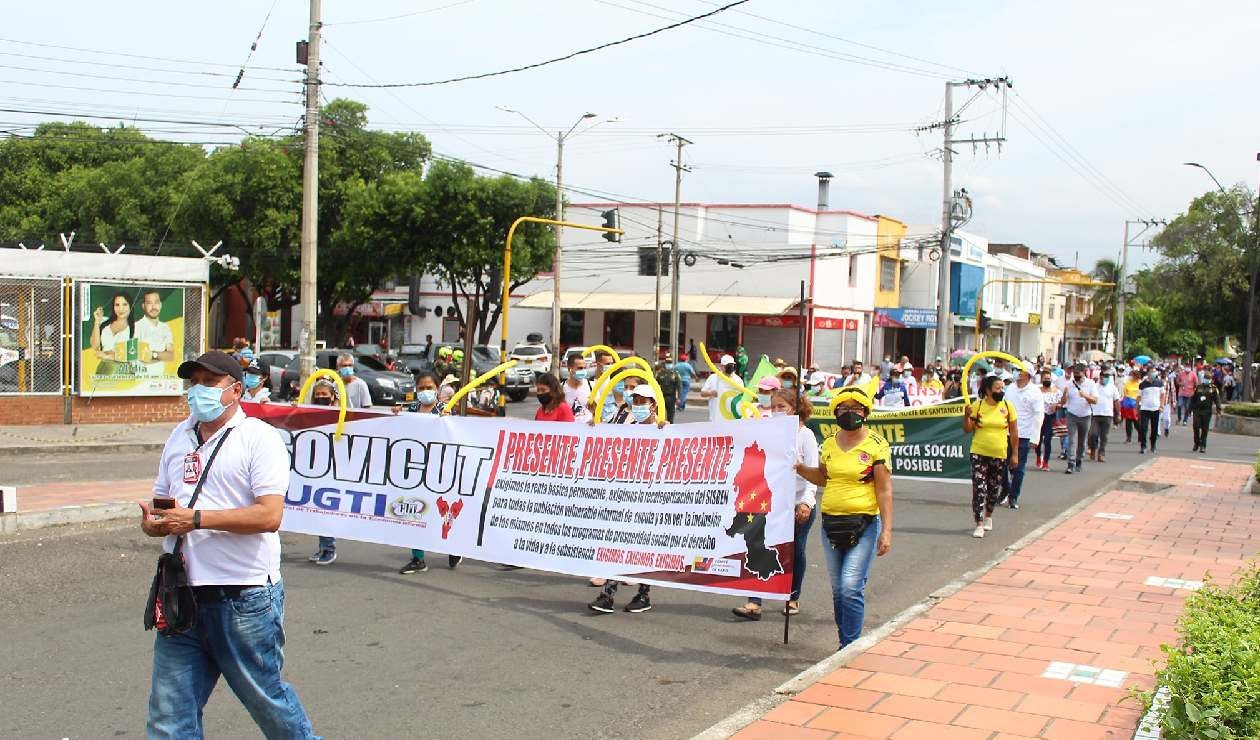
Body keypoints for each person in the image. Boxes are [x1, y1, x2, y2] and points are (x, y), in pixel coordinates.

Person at [141, 350, 318, 739]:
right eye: (193, 383)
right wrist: (157, 525)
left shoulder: (260, 438)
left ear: (235, 390)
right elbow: (163, 503)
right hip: (182, 597)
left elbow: (269, 516)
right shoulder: (179, 435)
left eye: (208, 383)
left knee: (268, 704)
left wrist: (198, 519)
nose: (197, 391)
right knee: (168, 717)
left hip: (243, 598)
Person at [794, 380, 893, 649]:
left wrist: (886, 530)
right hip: (831, 525)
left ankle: (850, 646)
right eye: (844, 407)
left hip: (864, 524)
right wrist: (799, 468)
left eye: (857, 408)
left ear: (866, 412)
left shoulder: (877, 445)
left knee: (851, 586)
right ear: (835, 412)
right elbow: (823, 478)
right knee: (839, 591)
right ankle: (844, 642)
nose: (850, 412)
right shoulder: (828, 445)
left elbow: (884, 490)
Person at [732, 388, 818, 621]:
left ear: (795, 408)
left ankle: (792, 596)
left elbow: (813, 473)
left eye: (782, 407)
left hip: (798, 504)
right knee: (758, 547)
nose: (777, 411)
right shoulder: (769, 432)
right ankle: (754, 601)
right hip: (771, 504)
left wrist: (806, 503)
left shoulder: (806, 436)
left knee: (795, 551)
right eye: (774, 406)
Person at [588, 385, 667, 614]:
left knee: (643, 549)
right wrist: (594, 428)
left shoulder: (663, 428)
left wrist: (665, 429)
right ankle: (607, 596)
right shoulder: (628, 428)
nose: (639, 406)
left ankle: (643, 595)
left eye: (643, 401)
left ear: (653, 403)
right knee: (616, 544)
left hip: (650, 500)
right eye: (636, 401)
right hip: (625, 498)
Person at [309, 353, 371, 566]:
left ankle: (329, 547)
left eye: (324, 394)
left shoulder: (344, 411)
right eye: (317, 395)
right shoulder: (313, 413)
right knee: (316, 506)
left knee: (327, 507)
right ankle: (322, 546)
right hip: (317, 464)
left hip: (337, 464)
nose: (320, 397)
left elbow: (365, 417)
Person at [397, 372, 462, 574]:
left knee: (443, 510)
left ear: (437, 389)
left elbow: (456, 435)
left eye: (429, 387)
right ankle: (418, 558)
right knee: (416, 509)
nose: (425, 391)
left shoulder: (445, 410)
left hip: (440, 467)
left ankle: (455, 547)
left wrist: (448, 421)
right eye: (421, 388)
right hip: (416, 468)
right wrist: (395, 416)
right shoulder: (413, 409)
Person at [963, 375, 1018, 537]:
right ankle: (979, 523)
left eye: (1002, 388)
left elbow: (1014, 432)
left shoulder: (1007, 406)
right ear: (988, 390)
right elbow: (967, 429)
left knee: (993, 488)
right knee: (979, 488)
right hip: (979, 452)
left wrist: (1015, 454)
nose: (1001, 391)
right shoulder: (978, 406)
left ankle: (989, 515)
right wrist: (966, 416)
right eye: (997, 388)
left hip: (999, 453)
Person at [1006, 363, 1043, 508]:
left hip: (1024, 434)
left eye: (1018, 370)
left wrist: (1035, 437)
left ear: (1026, 374)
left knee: (1018, 467)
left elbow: (1038, 415)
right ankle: (1006, 488)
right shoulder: (1010, 389)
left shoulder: (1035, 392)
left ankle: (1013, 496)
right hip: (1007, 432)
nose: (1015, 372)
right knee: (1002, 465)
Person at [1060, 363, 1097, 474]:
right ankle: (1070, 463)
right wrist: (1064, 395)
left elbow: (1095, 400)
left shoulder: (1090, 384)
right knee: (1071, 439)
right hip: (1072, 414)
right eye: (1074, 373)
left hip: (1085, 415)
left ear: (1084, 372)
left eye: (1078, 373)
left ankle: (1079, 460)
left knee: (1082, 441)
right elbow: (1063, 403)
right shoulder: (1069, 384)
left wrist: (1085, 396)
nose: (1075, 375)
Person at [133, 289, 176, 373]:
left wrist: (152, 354)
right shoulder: (136, 327)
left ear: (160, 305)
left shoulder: (165, 327)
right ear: (143, 306)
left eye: (156, 302)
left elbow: (171, 356)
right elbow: (141, 357)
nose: (153, 307)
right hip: (140, 381)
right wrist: (163, 355)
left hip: (161, 381)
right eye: (149, 303)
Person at [1087, 369, 1120, 463]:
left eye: (1107, 377)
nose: (1105, 378)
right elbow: (1089, 398)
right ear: (1100, 377)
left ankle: (1101, 454)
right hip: (1095, 414)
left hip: (1107, 414)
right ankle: (1093, 448)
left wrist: (1118, 413)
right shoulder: (1094, 386)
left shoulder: (1112, 387)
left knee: (1104, 436)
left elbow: (1116, 401)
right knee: (1093, 434)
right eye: (1104, 376)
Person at [90, 291, 135, 361]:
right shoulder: (104, 322)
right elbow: (95, 346)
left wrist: (106, 356)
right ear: (113, 307)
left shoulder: (135, 328)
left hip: (122, 369)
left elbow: (132, 355)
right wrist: (97, 322)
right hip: (102, 367)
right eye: (117, 305)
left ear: (130, 306)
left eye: (125, 304)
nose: (121, 309)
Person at [1035, 369, 1062, 471]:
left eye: (1049, 378)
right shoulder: (1037, 390)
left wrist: (1057, 405)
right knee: (1038, 439)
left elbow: (1062, 402)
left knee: (1047, 440)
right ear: (1041, 379)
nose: (1047, 380)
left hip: (1050, 417)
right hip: (1039, 416)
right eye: (1045, 378)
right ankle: (1038, 456)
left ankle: (1046, 462)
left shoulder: (1056, 391)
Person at [701, 354, 738, 422]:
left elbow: (740, 398)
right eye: (727, 365)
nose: (730, 367)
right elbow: (702, 393)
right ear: (722, 366)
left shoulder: (738, 380)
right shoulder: (713, 378)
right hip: (715, 418)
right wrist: (711, 393)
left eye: (731, 365)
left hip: (731, 419)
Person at [1189, 377, 1222, 453]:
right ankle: (1196, 443)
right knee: (1196, 427)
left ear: (1210, 379)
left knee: (1205, 428)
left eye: (1207, 378)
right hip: (1197, 410)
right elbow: (1193, 398)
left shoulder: (1213, 389)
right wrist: (1190, 409)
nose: (1206, 380)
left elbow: (1217, 400)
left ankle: (1203, 446)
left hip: (1207, 411)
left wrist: (1218, 410)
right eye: (1205, 378)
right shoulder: (1198, 387)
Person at [1137, 369, 1166, 454]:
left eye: (1154, 372)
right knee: (1143, 428)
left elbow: (1162, 395)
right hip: (1145, 408)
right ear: (1148, 374)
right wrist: (1137, 408)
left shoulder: (1159, 383)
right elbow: (1139, 396)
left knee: (1154, 429)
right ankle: (1143, 446)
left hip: (1155, 408)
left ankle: (1153, 445)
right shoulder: (1142, 384)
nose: (1153, 374)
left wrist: (1161, 405)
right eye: (1151, 372)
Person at [563, 352, 593, 423]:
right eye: (580, 368)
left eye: (584, 368)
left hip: (587, 431)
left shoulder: (591, 386)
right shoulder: (561, 388)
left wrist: (594, 420)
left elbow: (598, 411)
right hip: (569, 431)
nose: (583, 371)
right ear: (569, 369)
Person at [654, 358, 681, 423]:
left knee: (670, 414)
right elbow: (656, 384)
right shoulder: (660, 374)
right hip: (661, 397)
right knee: (659, 414)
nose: (668, 364)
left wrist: (678, 398)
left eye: (670, 363)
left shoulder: (675, 374)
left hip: (671, 396)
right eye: (667, 363)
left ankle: (670, 428)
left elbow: (679, 386)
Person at [1120, 368, 1141, 444]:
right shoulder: (1127, 383)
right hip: (1128, 404)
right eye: (1130, 375)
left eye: (1132, 375)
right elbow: (1124, 393)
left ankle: (1140, 435)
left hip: (1136, 404)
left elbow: (1141, 395)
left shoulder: (1140, 384)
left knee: (1136, 422)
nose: (1131, 377)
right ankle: (1128, 438)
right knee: (1128, 422)